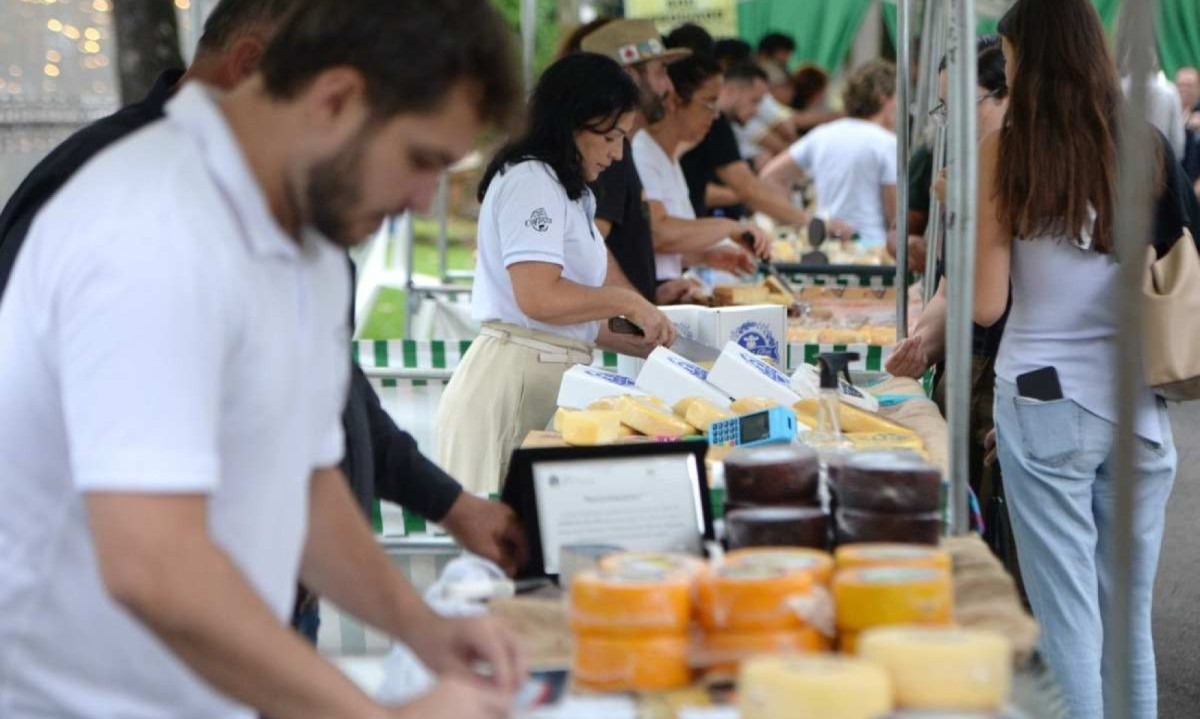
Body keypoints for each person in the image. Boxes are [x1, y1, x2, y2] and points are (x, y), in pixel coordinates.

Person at [0, 0, 528, 716]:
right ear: (336, 98)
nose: (421, 199)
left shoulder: (301, 235)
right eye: (420, 160)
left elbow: (304, 483)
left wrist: (423, 629)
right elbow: (150, 563)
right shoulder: (150, 230)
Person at [978, 2, 1182, 716]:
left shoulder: (1009, 147)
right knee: (1127, 624)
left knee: (1066, 620)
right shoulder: (1146, 145)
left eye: (1006, 54)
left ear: (1027, 55)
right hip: (1140, 410)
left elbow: (983, 304)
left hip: (1043, 396)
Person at [434, 53, 676, 496]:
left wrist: (639, 341)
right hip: (513, 385)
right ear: (578, 120)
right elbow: (539, 299)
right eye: (613, 137)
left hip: (541, 375)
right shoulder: (532, 181)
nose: (618, 153)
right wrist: (628, 302)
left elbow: (561, 314)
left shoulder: (566, 189)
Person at [885, 38, 1014, 582]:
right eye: (943, 108)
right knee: (969, 532)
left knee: (1008, 552)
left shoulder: (1024, 171)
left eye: (963, 106)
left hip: (1013, 375)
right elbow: (947, 285)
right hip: (968, 368)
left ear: (1007, 95)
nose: (950, 122)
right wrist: (925, 340)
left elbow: (985, 302)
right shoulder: (961, 166)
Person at [577, 19, 760, 305]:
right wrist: (639, 307)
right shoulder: (607, 153)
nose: (668, 86)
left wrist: (655, 293)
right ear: (630, 77)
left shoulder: (622, 150)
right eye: (661, 72)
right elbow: (588, 246)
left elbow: (629, 244)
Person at [666, 25, 831, 230]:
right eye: (756, 101)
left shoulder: (712, 123)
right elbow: (745, 187)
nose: (758, 111)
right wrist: (811, 222)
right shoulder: (712, 123)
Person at [633, 51, 770, 288]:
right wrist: (729, 227)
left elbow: (658, 251)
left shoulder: (667, 158)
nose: (715, 115)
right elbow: (658, 234)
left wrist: (705, 256)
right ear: (675, 100)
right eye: (709, 102)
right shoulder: (641, 152)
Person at [762, 60, 898, 249]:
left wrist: (803, 218)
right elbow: (895, 216)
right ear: (885, 100)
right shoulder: (887, 142)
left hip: (825, 244)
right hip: (872, 248)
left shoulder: (822, 134)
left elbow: (769, 177)